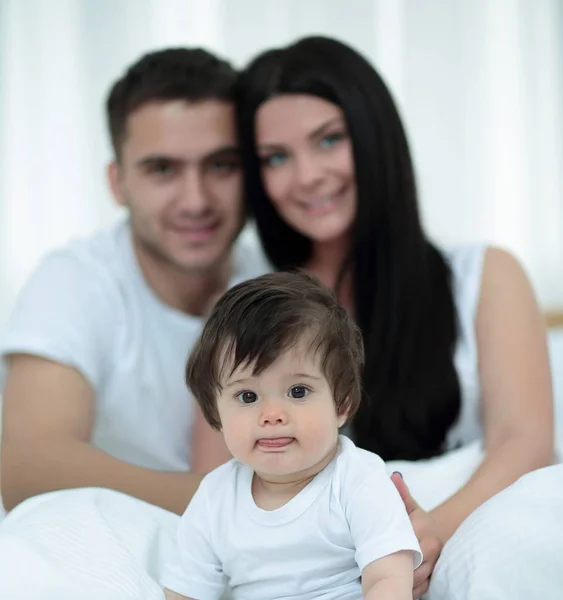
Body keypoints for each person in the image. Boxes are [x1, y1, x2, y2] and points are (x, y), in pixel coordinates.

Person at [234, 36, 554, 598]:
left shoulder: (484, 275)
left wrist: (419, 539)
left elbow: (526, 441)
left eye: (329, 140)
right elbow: (226, 477)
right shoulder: (250, 307)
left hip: (458, 525)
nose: (307, 176)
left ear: (375, 137)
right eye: (276, 158)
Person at [0, 47, 270, 516]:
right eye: (162, 169)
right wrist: (239, 510)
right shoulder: (77, 280)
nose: (195, 200)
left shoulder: (272, 281)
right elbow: (28, 468)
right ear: (117, 182)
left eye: (221, 165)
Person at [162, 270, 422, 600]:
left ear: (341, 403)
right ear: (216, 415)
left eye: (298, 391)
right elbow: (185, 591)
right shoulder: (214, 498)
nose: (272, 415)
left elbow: (388, 578)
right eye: (247, 397)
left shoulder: (357, 479)